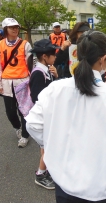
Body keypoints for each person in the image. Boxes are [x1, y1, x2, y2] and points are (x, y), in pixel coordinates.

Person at [25, 30, 106, 203]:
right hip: (103, 186)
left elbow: (32, 124)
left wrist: (51, 143)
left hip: (65, 183)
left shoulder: (55, 89)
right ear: (103, 59)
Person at [0, 17, 32, 148]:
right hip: (7, 83)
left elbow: (31, 65)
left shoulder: (25, 44)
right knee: (10, 112)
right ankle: (17, 128)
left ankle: (25, 136)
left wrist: (32, 82)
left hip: (23, 82)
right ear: (5, 29)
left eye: (16, 27)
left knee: (24, 111)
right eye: (11, 27)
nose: (15, 29)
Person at [26, 39, 59, 190]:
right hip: (40, 120)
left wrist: (56, 76)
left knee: (46, 147)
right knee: (48, 147)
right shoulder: (39, 74)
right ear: (45, 56)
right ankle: (41, 174)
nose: (55, 57)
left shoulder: (47, 70)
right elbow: (37, 97)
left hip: (44, 119)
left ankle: (46, 171)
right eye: (53, 54)